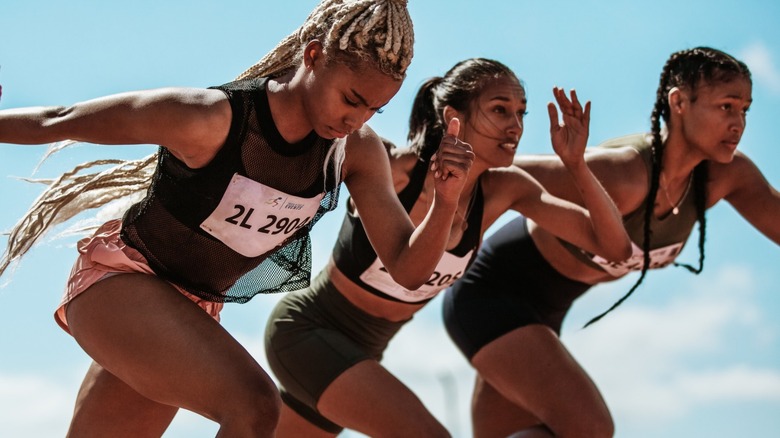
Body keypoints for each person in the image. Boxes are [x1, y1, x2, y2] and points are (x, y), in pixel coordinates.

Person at [0, 1, 477, 436]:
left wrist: (446, 199)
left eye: (376, 107)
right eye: (351, 99)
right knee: (253, 405)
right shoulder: (211, 119)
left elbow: (409, 268)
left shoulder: (354, 152)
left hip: (188, 313)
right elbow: (58, 119)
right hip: (121, 284)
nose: (358, 118)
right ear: (312, 57)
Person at [264, 58, 632, 437]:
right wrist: (213, 280)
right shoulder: (393, 170)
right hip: (307, 332)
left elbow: (615, 248)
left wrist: (576, 165)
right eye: (500, 110)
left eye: (521, 113)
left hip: (363, 354)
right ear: (453, 116)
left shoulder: (505, 189)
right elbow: (283, 183)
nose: (516, 125)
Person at [442, 47, 780, 438]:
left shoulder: (727, 175)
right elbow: (492, 172)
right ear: (679, 102)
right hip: (491, 295)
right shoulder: (621, 172)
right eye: (726, 106)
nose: (738, 122)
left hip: (546, 317)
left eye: (745, 109)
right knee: (590, 428)